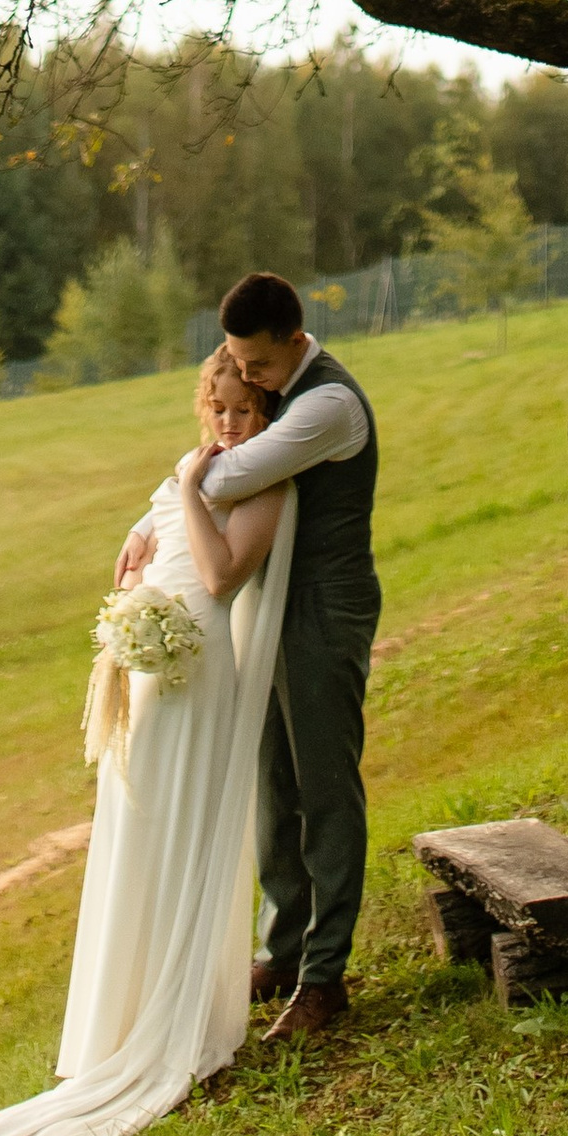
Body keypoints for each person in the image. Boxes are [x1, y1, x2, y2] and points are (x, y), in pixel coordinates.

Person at [0, 348, 293, 1136]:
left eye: (244, 412)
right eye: (217, 409)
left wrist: (187, 491)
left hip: (199, 668)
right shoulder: (191, 466)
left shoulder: (262, 483)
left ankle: (175, 1016)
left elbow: (221, 575)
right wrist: (139, 550)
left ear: (266, 415)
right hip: (154, 669)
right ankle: (117, 1017)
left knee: (181, 829)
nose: (228, 424)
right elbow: (149, 543)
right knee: (135, 830)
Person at [115, 267, 379, 1041]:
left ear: (295, 340)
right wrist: (145, 525)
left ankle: (324, 977)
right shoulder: (275, 389)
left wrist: (168, 495)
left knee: (324, 788)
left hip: (323, 609)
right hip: (265, 609)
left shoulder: (327, 404)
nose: (248, 377)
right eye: (235, 362)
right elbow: (218, 461)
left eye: (258, 364)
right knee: (271, 787)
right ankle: (281, 951)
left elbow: (228, 471)